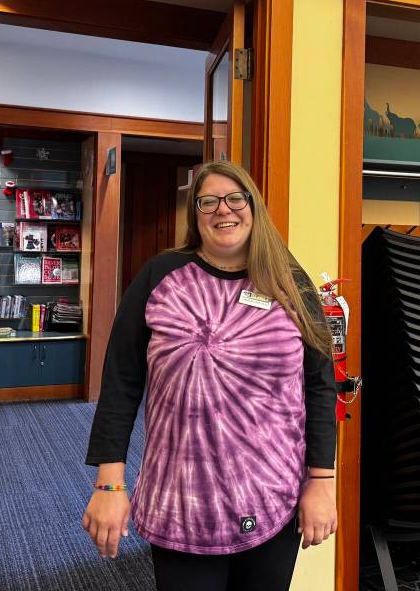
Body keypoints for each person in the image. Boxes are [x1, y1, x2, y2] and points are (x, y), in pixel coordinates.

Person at [82, 161, 337, 591]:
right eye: (209, 202)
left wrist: (322, 481)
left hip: (274, 496)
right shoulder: (160, 276)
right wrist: (109, 485)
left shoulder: (290, 281)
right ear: (195, 214)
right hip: (182, 500)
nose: (224, 210)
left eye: (236, 198)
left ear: (254, 207)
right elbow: (121, 382)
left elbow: (319, 385)